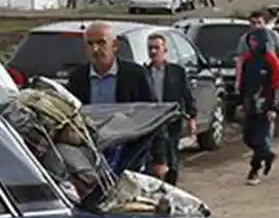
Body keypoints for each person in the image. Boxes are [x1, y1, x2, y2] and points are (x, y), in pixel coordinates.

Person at [65, 21, 167, 177]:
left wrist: (159, 159)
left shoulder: (135, 75)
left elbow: (154, 115)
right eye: (90, 44)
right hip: (91, 158)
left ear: (114, 45)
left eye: (101, 43)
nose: (95, 49)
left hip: (129, 155)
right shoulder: (78, 78)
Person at [144, 32, 197, 185]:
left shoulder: (176, 72)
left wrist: (191, 118)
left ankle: (171, 187)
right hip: (151, 123)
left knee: (172, 157)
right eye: (150, 48)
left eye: (156, 48)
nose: (153, 51)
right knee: (153, 159)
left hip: (171, 121)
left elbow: (186, 95)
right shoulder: (144, 73)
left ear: (164, 50)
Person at [239, 28, 279, 185]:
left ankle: (254, 170)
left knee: (259, 138)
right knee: (248, 138)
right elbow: (244, 84)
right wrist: (241, 102)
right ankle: (267, 155)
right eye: (250, 40)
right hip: (250, 104)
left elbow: (275, 86)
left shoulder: (271, 60)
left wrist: (272, 108)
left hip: (265, 105)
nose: (252, 43)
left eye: (254, 40)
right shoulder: (248, 60)